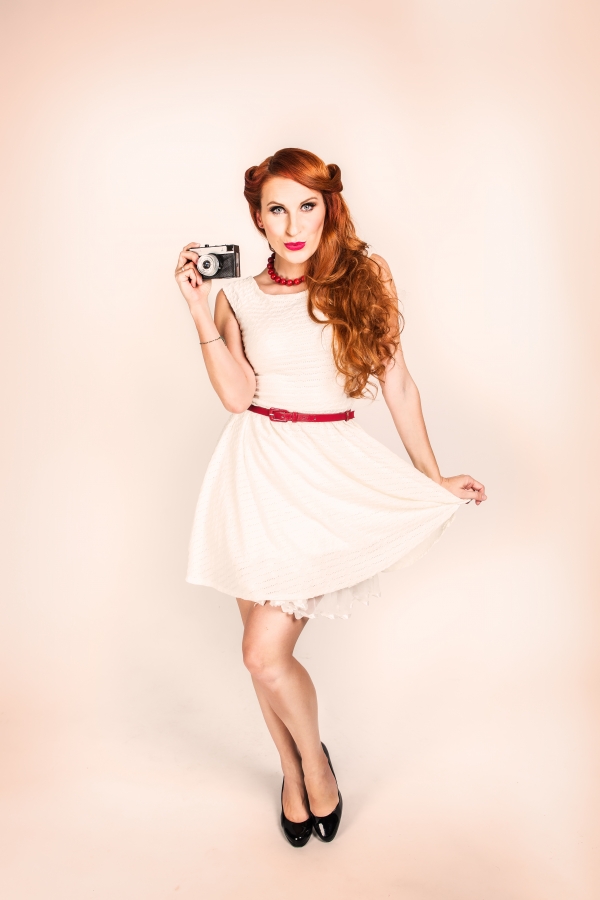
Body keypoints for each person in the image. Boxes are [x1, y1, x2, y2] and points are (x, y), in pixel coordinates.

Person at [174, 147, 486, 847]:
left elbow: (397, 382)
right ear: (257, 218)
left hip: (326, 476)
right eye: (277, 209)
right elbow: (238, 397)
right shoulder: (238, 295)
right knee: (258, 657)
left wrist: (431, 477)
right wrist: (199, 310)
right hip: (252, 473)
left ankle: (315, 764)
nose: (293, 225)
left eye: (307, 206)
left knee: (264, 653)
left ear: (328, 208)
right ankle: (295, 773)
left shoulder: (364, 279)